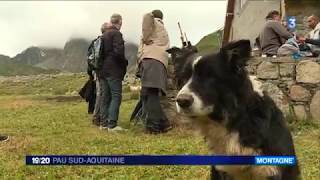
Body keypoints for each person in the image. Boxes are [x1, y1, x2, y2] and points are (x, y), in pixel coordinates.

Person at [136, 10, 172, 134]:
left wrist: (145, 38)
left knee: (151, 94)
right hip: (158, 63)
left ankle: (153, 127)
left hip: (151, 61)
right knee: (148, 93)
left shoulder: (154, 22)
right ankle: (164, 124)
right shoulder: (162, 30)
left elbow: (147, 16)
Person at [98, 14, 128, 131]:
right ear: (120, 22)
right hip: (113, 70)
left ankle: (103, 124)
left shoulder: (104, 35)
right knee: (116, 96)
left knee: (105, 97)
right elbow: (119, 53)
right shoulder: (116, 34)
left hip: (102, 71)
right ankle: (112, 125)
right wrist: (125, 63)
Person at [91, 22, 113, 126]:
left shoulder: (96, 41)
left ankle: (98, 117)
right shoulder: (102, 41)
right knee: (101, 94)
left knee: (101, 94)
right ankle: (97, 117)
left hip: (97, 71)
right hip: (100, 72)